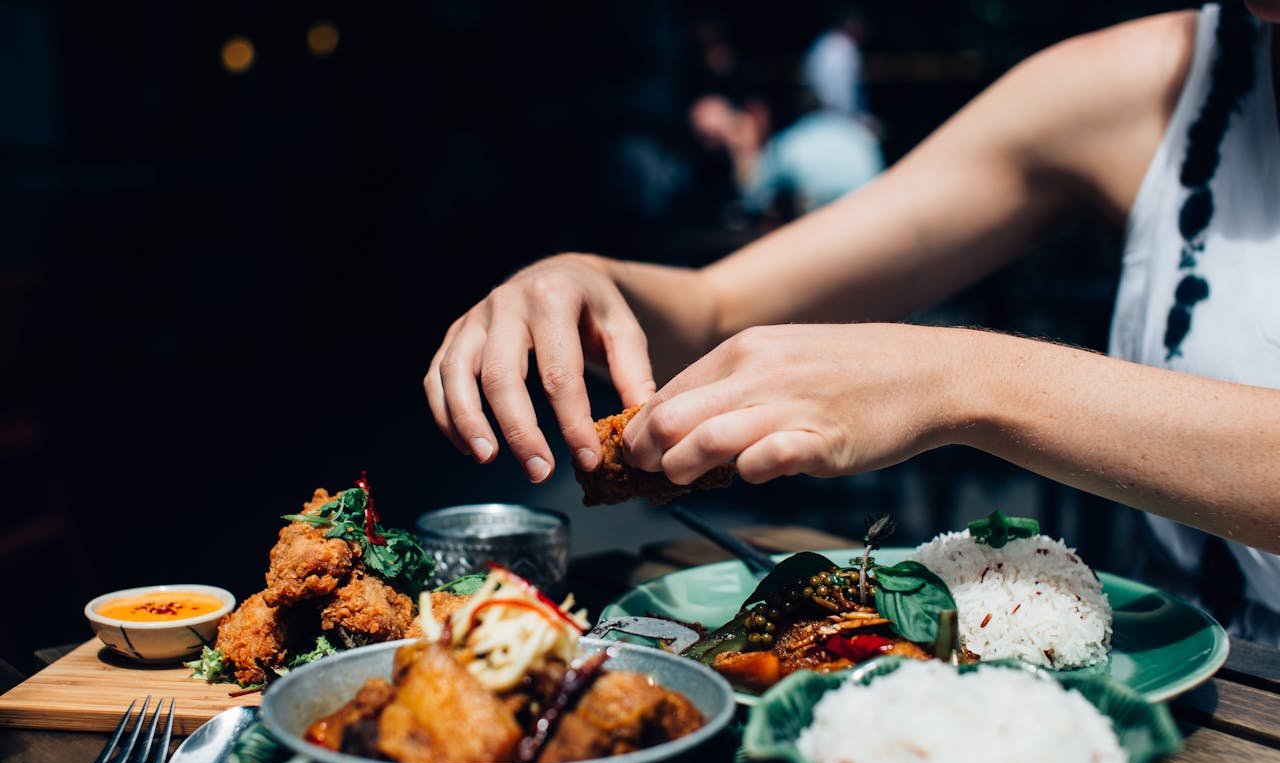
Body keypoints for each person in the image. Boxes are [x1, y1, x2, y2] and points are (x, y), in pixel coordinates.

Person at [424, 3, 1280, 643]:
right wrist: (582, 276)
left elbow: (950, 376)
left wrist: (961, 380)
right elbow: (724, 306)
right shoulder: (1145, 78)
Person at [688, 90, 884, 216]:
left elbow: (754, 198)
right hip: (875, 218)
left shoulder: (788, 146)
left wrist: (744, 152)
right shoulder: (853, 132)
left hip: (835, 230)